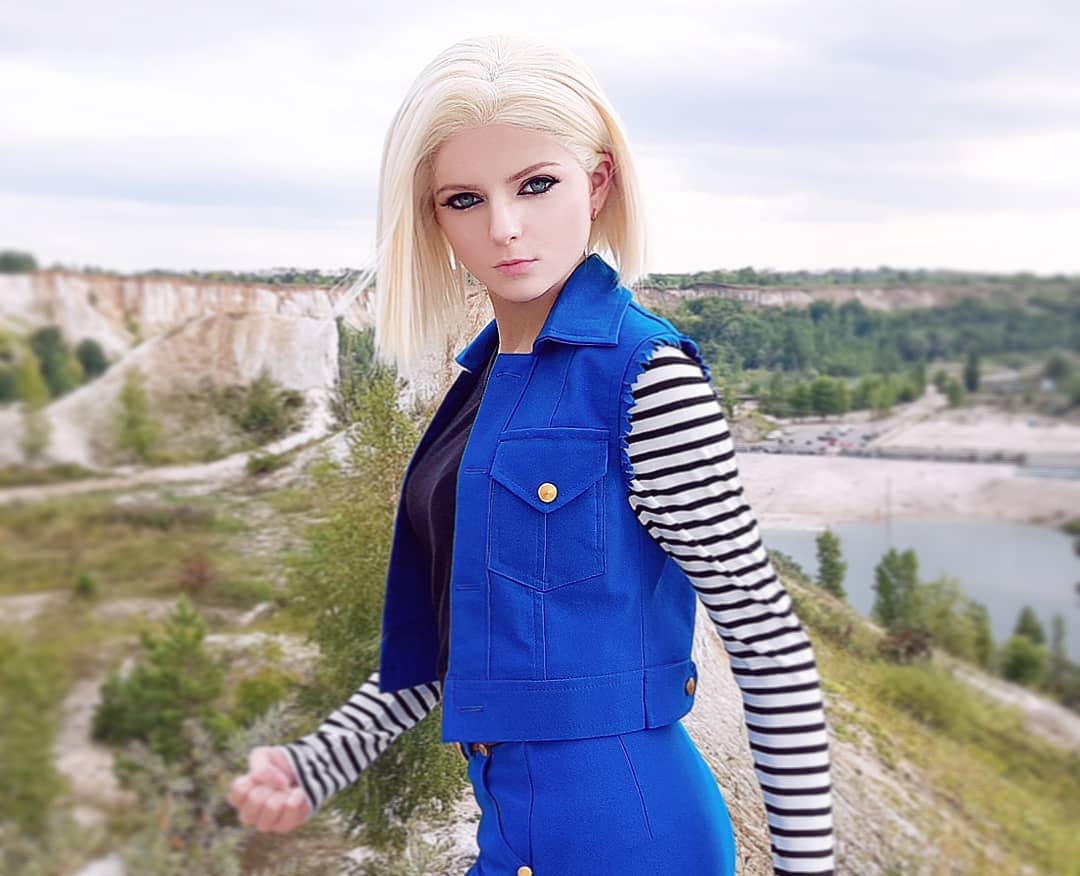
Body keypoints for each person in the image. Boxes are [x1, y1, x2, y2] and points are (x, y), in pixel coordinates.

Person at [228, 33, 835, 875]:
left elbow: (767, 641)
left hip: (631, 840)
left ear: (598, 183)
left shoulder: (647, 379)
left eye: (536, 184)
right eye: (464, 199)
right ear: (434, 219)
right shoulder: (480, 386)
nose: (504, 227)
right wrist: (317, 765)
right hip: (512, 834)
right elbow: (464, 646)